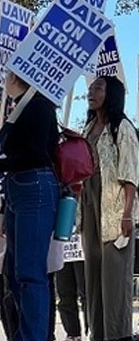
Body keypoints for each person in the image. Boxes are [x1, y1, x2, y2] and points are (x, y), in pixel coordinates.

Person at [0, 71, 59, 341]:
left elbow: (35, 152)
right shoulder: (18, 107)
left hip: (33, 185)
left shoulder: (38, 104)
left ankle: (33, 336)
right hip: (18, 188)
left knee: (30, 271)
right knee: (14, 270)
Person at [81, 76, 139, 341]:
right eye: (91, 87)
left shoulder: (122, 127)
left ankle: (118, 334)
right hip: (89, 203)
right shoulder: (89, 127)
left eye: (99, 87)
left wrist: (127, 214)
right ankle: (98, 333)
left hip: (115, 210)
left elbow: (130, 174)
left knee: (114, 278)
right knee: (93, 276)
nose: (91, 91)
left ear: (112, 94)